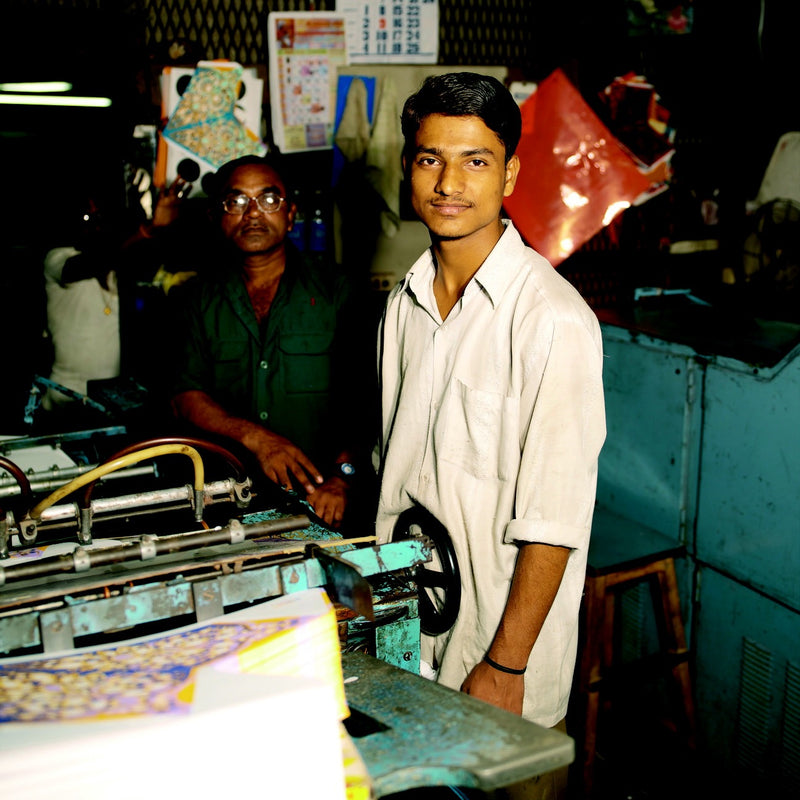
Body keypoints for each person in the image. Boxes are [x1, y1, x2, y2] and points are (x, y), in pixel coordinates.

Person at [374, 73, 606, 798]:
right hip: (409, 645)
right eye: (429, 157)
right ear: (408, 168)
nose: (449, 181)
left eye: (475, 160)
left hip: (498, 658)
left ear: (508, 172)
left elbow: (555, 519)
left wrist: (504, 667)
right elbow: (398, 472)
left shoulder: (550, 320)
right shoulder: (402, 305)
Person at [170, 154, 376, 530]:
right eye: (236, 202)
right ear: (217, 215)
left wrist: (344, 476)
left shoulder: (338, 291)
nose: (252, 214)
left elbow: (369, 397)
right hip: (227, 507)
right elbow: (186, 396)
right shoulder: (195, 299)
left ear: (291, 213)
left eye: (268, 200)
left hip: (324, 504)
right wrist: (258, 440)